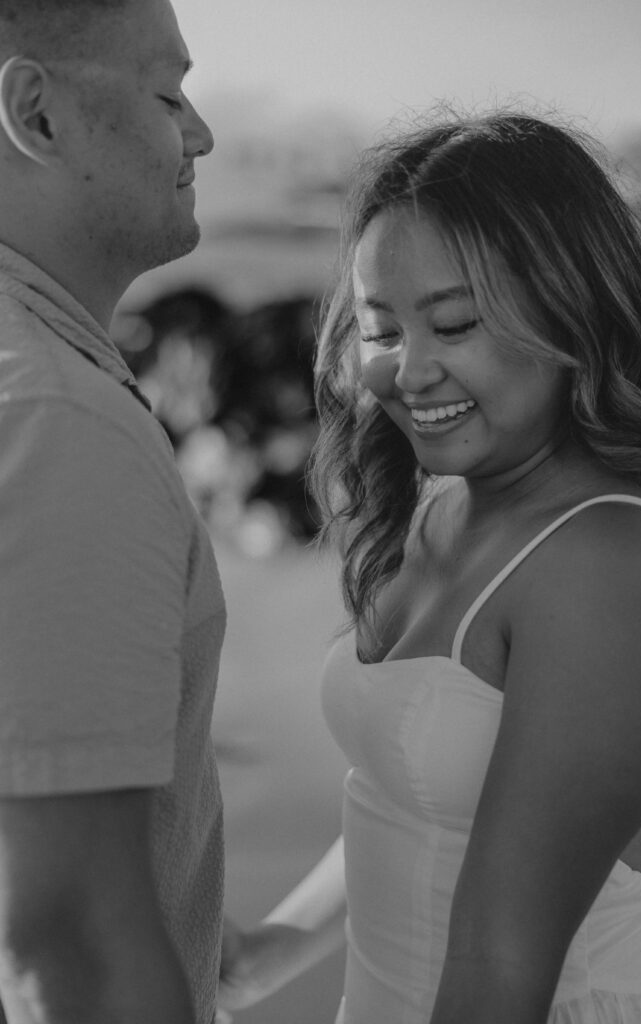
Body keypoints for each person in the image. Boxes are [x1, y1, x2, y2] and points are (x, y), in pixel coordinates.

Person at [219, 110, 641, 1023]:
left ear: (572, 311)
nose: (407, 371)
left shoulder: (610, 560)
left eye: (454, 323)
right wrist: (261, 956)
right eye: (380, 329)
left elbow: (502, 963)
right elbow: (408, 800)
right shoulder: (442, 507)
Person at [0, 1, 232, 1022]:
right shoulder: (61, 418)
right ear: (34, 112)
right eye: (167, 92)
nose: (200, 132)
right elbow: (71, 945)